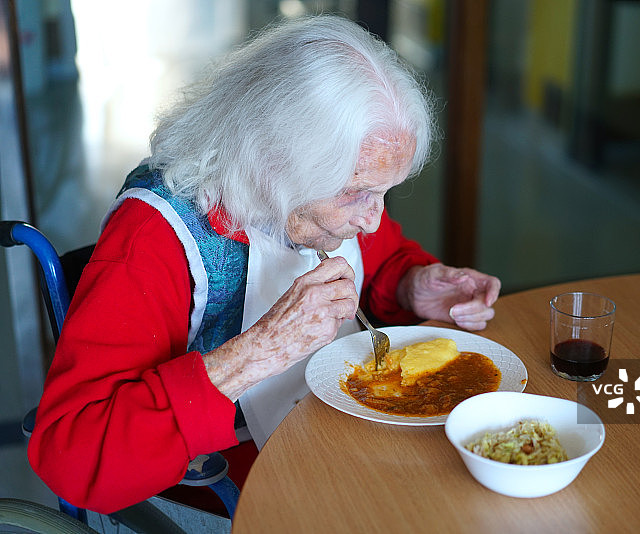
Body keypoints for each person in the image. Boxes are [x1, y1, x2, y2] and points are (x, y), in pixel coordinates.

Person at [27, 15, 501, 515]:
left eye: (385, 191)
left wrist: (410, 284)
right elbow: (74, 454)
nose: (374, 218)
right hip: (227, 480)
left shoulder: (330, 193)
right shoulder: (154, 235)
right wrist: (259, 351)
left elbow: (380, 256)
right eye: (359, 192)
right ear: (277, 159)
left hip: (341, 440)